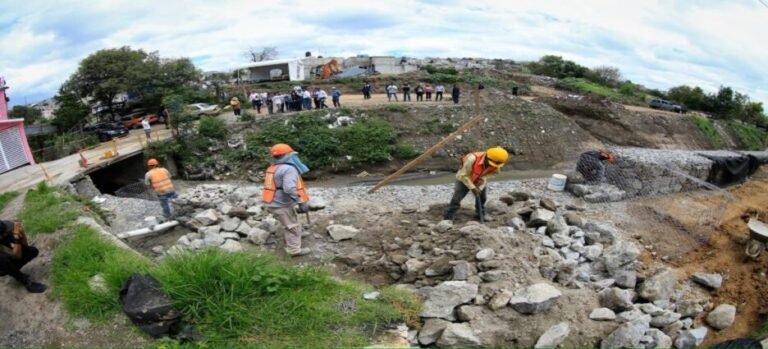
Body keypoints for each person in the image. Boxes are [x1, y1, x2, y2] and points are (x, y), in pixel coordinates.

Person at [263, 144, 312, 257]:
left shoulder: (272, 168)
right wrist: (301, 201)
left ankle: (297, 233)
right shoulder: (289, 169)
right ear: (287, 156)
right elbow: (289, 188)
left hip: (272, 202)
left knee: (291, 220)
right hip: (281, 204)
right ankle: (294, 250)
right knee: (291, 226)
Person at [443, 147, 509, 221]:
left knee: (482, 198)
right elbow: (464, 175)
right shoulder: (472, 159)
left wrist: (482, 178)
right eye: (492, 164)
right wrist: (473, 188)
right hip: (464, 179)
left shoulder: (496, 162)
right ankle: (448, 216)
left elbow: (494, 173)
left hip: (479, 179)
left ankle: (480, 214)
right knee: (456, 199)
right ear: (487, 157)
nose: (493, 166)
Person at [0, 220, 47, 293]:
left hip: (7, 258)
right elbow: (15, 255)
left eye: (5, 232)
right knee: (2, 259)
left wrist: (21, 234)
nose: (6, 234)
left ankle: (12, 270)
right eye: (3, 234)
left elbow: (24, 247)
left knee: (32, 251)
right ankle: (26, 282)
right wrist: (16, 240)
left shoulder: (7, 227)